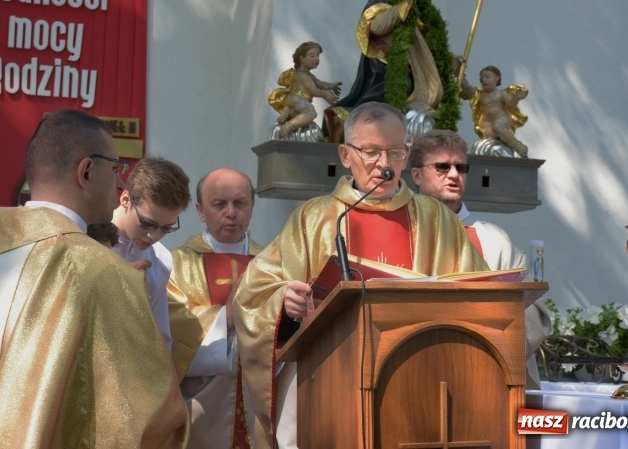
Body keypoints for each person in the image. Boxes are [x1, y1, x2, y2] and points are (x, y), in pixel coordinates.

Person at [0, 110, 188, 448]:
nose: (119, 184)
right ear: (86, 171)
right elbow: (141, 423)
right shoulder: (99, 271)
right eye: (115, 169)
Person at [233, 102, 488, 448]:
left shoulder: (438, 220)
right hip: (329, 380)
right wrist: (284, 301)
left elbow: (481, 294)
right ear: (345, 154)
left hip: (419, 374)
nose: (384, 164)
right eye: (370, 151)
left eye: (395, 152)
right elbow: (253, 293)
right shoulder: (316, 218)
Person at [409, 129, 551, 389]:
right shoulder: (402, 231)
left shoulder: (494, 240)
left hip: (485, 377)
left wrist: (490, 349)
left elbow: (534, 312)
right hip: (412, 371)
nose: (454, 175)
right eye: (442, 167)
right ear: (417, 174)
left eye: (461, 168)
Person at [325, 0, 461, 141]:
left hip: (414, 67)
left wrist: (447, 60)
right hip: (384, 63)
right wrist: (402, 6)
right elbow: (377, 26)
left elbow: (426, 43)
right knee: (384, 100)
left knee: (414, 98)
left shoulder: (420, 6)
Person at [167, 168, 263, 448]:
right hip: (201, 408)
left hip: (259, 398)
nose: (231, 213)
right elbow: (173, 332)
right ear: (200, 210)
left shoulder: (271, 263)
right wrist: (227, 316)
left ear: (252, 208)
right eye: (219, 204)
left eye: (240, 203)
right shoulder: (175, 264)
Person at [111, 156, 191, 351]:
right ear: (126, 199)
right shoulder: (87, 239)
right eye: (147, 223)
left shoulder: (161, 259)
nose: (153, 236)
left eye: (166, 228)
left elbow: (161, 340)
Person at [267, 41, 341, 140]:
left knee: (299, 113)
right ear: (302, 58)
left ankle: (286, 114)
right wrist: (326, 95)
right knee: (311, 113)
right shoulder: (301, 75)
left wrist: (332, 86)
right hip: (297, 98)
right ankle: (288, 126)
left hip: (294, 100)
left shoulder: (309, 75)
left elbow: (321, 84)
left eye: (318, 56)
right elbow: (314, 90)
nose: (317, 59)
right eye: (312, 56)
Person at [459, 64, 529, 157]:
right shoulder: (479, 94)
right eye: (482, 78)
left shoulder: (501, 94)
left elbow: (511, 104)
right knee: (489, 139)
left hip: (502, 119)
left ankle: (519, 146)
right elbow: (465, 86)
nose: (484, 80)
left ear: (497, 78)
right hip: (488, 126)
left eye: (487, 77)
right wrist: (459, 71)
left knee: (498, 127)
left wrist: (517, 98)